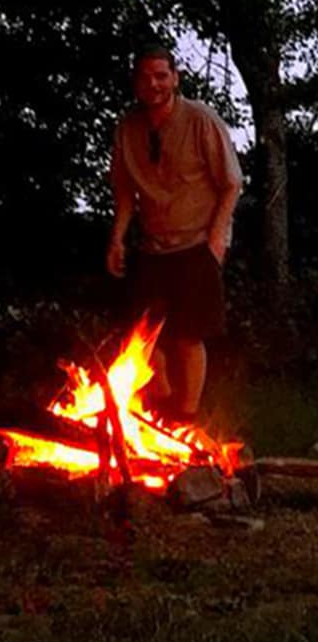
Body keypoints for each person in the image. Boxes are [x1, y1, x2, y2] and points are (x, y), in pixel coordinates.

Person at [106, 46, 243, 421]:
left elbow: (232, 183)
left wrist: (215, 241)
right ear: (136, 82)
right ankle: (162, 396)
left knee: (188, 336)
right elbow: (124, 191)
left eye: (161, 75)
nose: (153, 83)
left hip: (197, 241)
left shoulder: (200, 119)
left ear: (175, 77)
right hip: (152, 244)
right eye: (145, 77)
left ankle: (186, 415)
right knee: (141, 335)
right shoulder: (128, 127)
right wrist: (117, 238)